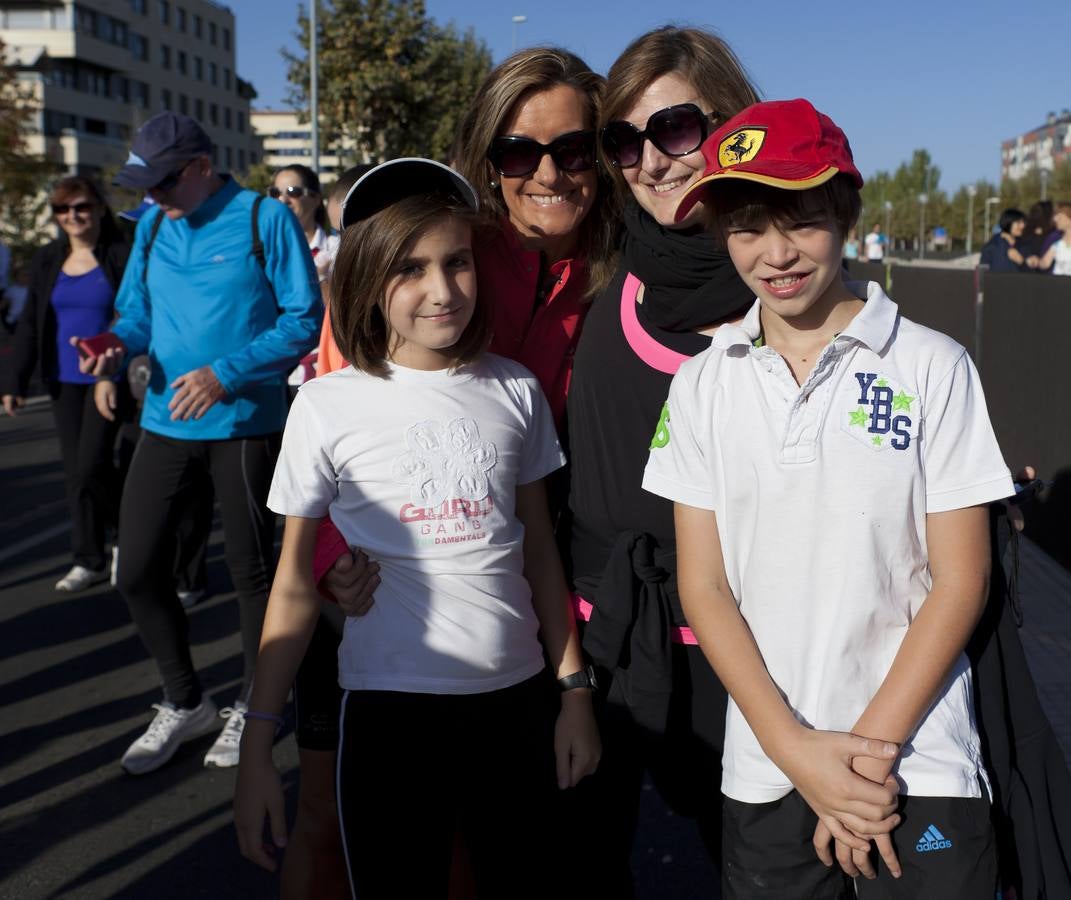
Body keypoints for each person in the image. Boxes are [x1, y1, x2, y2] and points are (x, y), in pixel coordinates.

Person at [644, 98, 1013, 898]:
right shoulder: (702, 384)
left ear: (845, 212)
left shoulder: (932, 366)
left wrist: (861, 762)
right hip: (768, 767)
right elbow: (703, 588)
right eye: (745, 227)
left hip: (917, 761)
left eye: (802, 220)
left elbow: (960, 581)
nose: (775, 252)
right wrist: (798, 755)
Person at [233, 158, 600, 899]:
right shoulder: (324, 406)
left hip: (518, 706)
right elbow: (294, 587)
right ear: (368, 280)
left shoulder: (514, 389)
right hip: (386, 717)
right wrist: (255, 740)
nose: (442, 290)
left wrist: (574, 694)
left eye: (456, 262)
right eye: (410, 269)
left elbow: (537, 554)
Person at [304, 48, 615, 900]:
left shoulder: (626, 268)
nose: (548, 173)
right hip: (396, 608)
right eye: (520, 152)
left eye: (575, 149)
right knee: (346, 848)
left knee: (534, 854)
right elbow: (338, 406)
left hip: (539, 602)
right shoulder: (435, 251)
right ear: (488, 158)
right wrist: (333, 552)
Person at [557, 26, 758, 895]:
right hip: (607, 641)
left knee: (754, 869)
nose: (651, 159)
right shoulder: (607, 267)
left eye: (676, 127)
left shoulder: (791, 282)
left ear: (730, 124)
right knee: (585, 869)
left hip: (746, 652)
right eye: (624, 139)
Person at [78, 111, 321, 774]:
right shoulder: (153, 225)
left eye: (161, 182)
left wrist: (225, 374)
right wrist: (112, 343)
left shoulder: (260, 219)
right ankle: (187, 702)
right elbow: (138, 314)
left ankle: (253, 706)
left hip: (243, 424)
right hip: (163, 420)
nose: (150, 196)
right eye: (144, 184)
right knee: (134, 570)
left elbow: (305, 319)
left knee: (251, 576)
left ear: (200, 168)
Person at [1, 176, 131, 591]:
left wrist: (112, 370)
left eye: (82, 207)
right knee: (76, 474)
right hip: (62, 379)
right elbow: (30, 323)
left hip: (109, 378)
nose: (73, 216)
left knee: (93, 463)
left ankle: (126, 536)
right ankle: (89, 557)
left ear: (98, 209)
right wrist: (14, 380)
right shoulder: (47, 259)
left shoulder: (120, 255)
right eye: (63, 210)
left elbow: (133, 314)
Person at [269, 164, 338, 385]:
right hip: (277, 373)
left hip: (326, 372)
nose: (283, 199)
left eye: (293, 192)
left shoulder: (336, 248)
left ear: (316, 199)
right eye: (275, 193)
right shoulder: (264, 254)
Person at [1039, 202, 1071, 275]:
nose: (1055, 219)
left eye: (1059, 217)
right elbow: (1044, 263)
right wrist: (1038, 262)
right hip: (1058, 283)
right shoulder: (1055, 240)